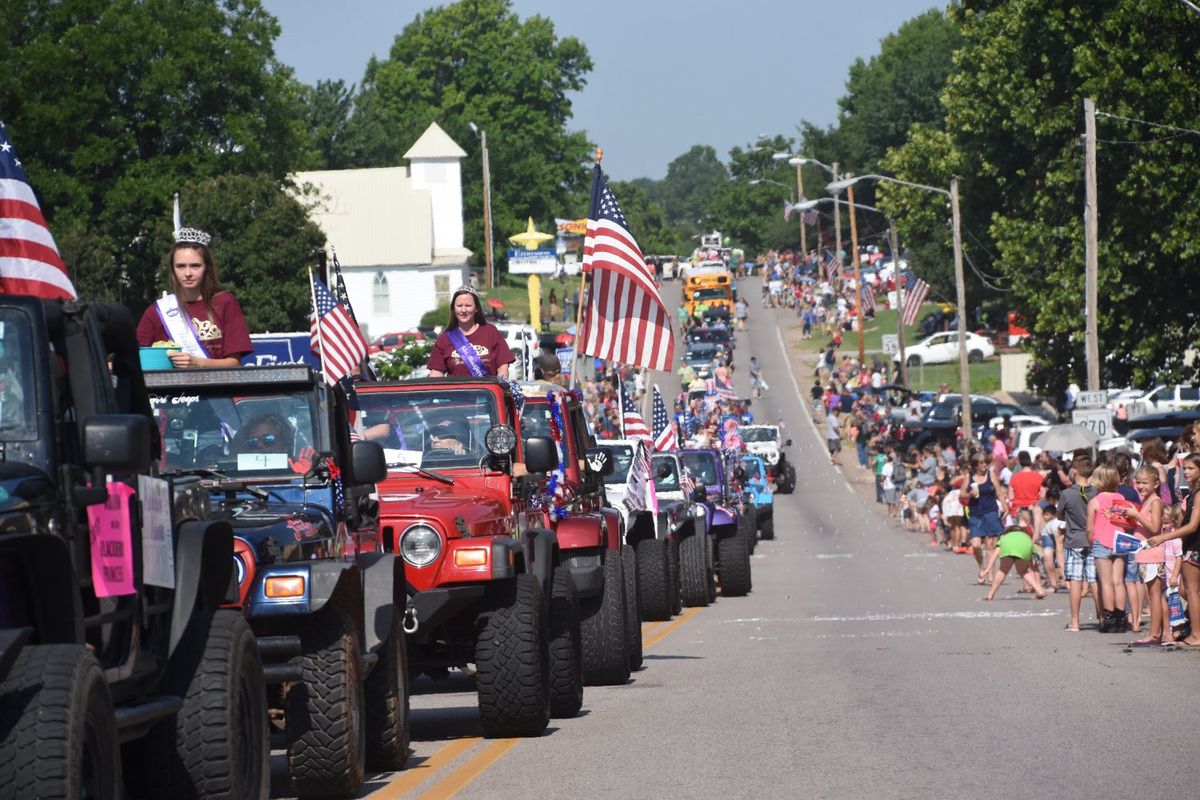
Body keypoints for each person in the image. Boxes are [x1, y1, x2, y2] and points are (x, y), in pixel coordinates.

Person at [136, 227, 252, 367]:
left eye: (195, 266)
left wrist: (197, 362)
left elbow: (234, 363)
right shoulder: (158, 311)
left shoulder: (225, 302)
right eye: (180, 266)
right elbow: (133, 356)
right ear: (172, 269)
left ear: (206, 267)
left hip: (218, 386)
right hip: (175, 388)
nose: (188, 273)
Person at [1145, 453, 1200, 646]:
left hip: (1194, 545)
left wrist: (1164, 536)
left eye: (1191, 468)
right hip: (1190, 544)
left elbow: (1192, 525)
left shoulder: (1199, 494)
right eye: (1184, 468)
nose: (1186, 472)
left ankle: (1196, 635)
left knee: (1191, 591)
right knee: (1188, 590)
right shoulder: (1193, 492)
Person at [427, 286, 515, 378]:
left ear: (476, 308)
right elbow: (436, 373)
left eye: (468, 306)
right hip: (457, 392)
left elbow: (503, 367)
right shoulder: (444, 338)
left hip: (486, 391)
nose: (464, 310)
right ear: (453, 308)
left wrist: (501, 385)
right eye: (459, 306)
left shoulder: (490, 332)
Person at [1086, 465, 1133, 633]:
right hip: (1119, 541)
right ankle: (1121, 618)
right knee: (1118, 581)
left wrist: (1091, 541)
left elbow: (1090, 528)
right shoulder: (1121, 497)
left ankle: (1110, 618)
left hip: (1101, 542)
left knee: (1105, 582)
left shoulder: (1095, 501)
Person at [1060, 457, 1098, 631]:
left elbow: (1060, 515)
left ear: (1075, 471)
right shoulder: (1096, 492)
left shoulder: (1067, 493)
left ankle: (1075, 622)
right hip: (1092, 539)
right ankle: (1103, 617)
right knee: (1094, 580)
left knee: (1075, 581)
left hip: (1074, 540)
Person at [984, 508, 1047, 600]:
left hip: (1008, 548)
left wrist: (988, 568)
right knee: (1023, 571)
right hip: (1025, 547)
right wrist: (1032, 560)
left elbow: (995, 554)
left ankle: (990, 594)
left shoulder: (1004, 537)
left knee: (1002, 571)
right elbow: (1032, 551)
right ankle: (1039, 590)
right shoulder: (1025, 536)